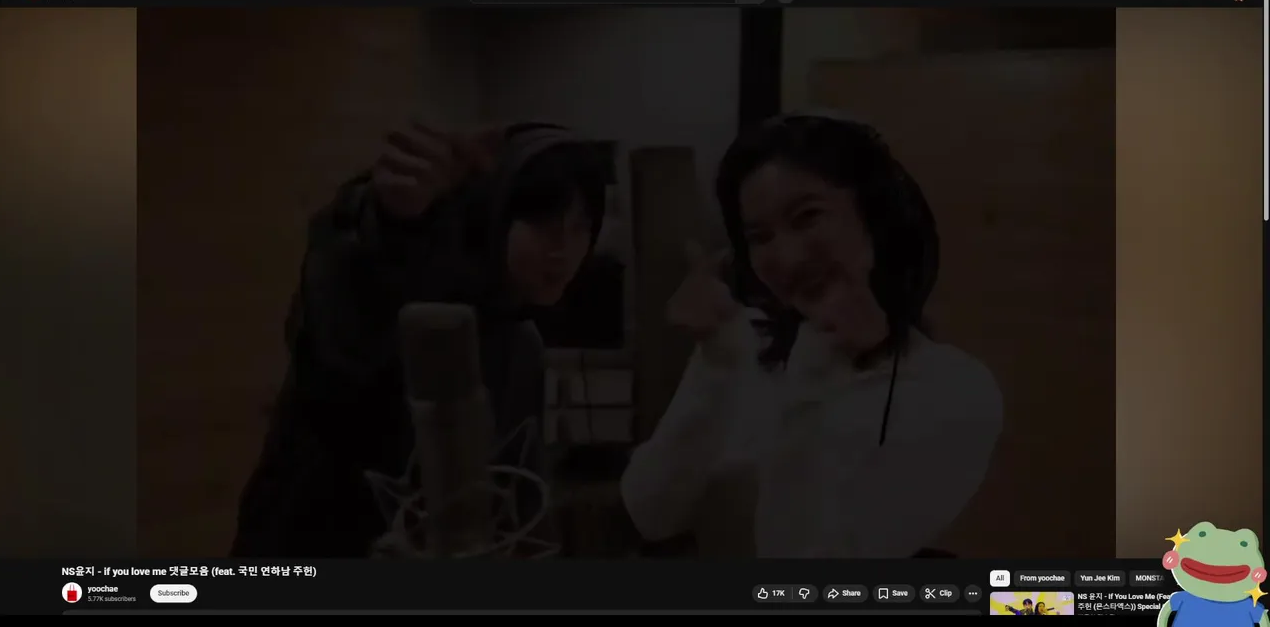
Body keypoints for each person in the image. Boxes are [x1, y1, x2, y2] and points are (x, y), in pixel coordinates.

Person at [620, 113, 1002, 558]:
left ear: (876, 216)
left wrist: (818, 366)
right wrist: (714, 362)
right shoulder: (743, 344)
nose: (787, 257)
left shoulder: (954, 390)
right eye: (760, 237)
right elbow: (650, 513)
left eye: (807, 218)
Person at [231, 121, 606, 557]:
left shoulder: (522, 345)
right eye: (542, 222)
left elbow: (518, 494)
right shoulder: (424, 307)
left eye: (580, 227)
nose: (562, 248)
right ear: (495, 212)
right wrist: (386, 224)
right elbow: (346, 321)